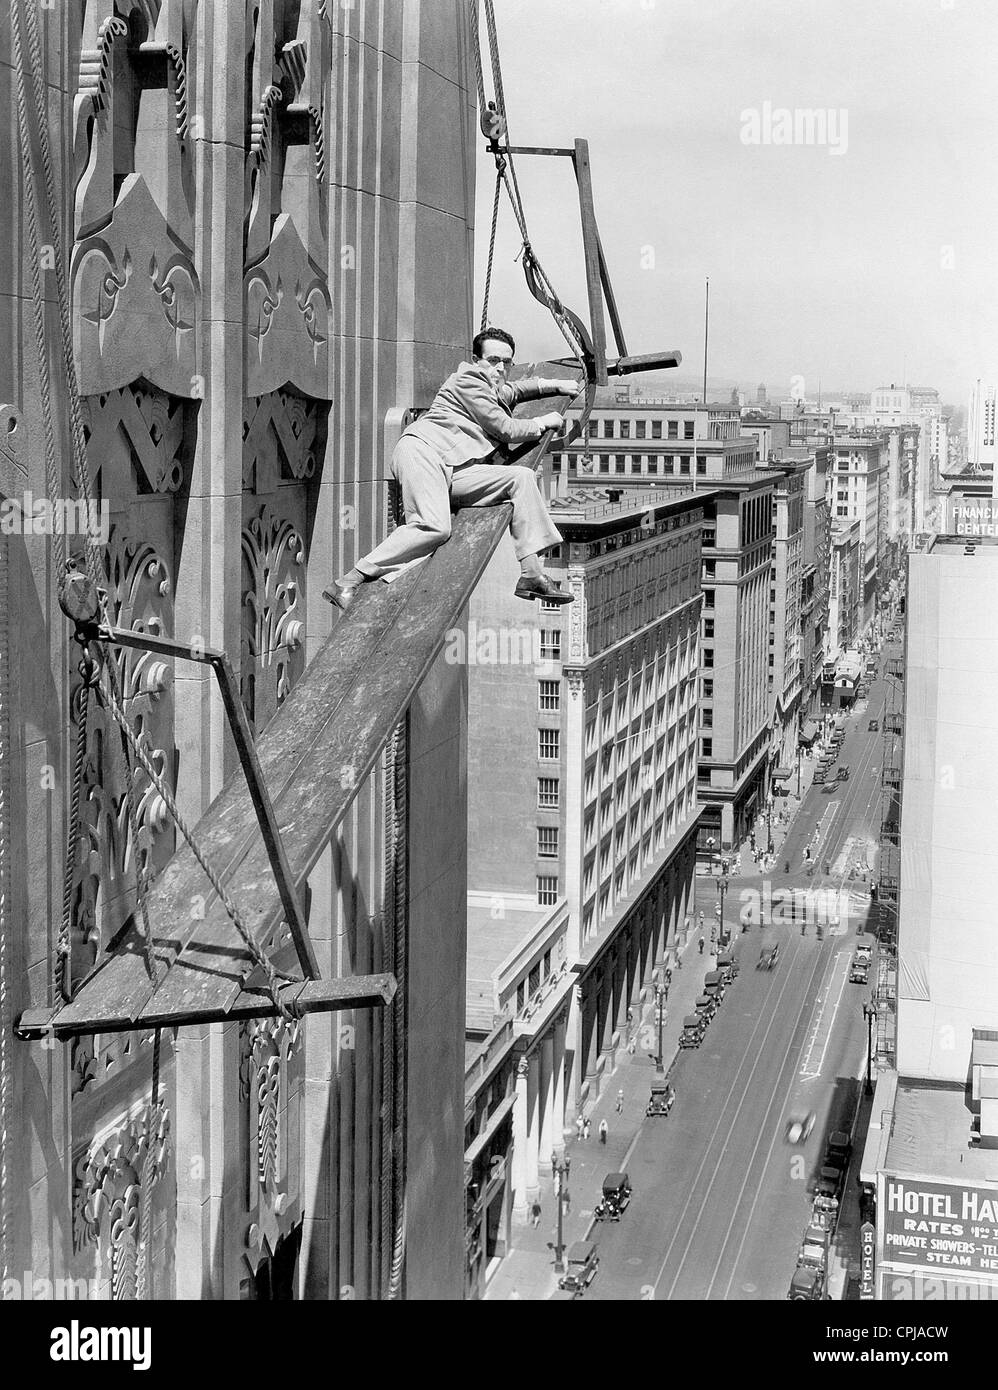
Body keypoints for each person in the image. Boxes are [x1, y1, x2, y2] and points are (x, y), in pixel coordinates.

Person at [323, 327, 579, 610]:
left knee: (521, 478)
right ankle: (349, 580)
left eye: (507, 362)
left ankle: (531, 574)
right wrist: (543, 422)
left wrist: (553, 384)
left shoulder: (490, 387)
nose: (501, 368)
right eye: (493, 360)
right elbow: (505, 429)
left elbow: (515, 390)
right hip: (424, 452)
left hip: (452, 469)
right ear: (475, 359)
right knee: (433, 527)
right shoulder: (468, 380)